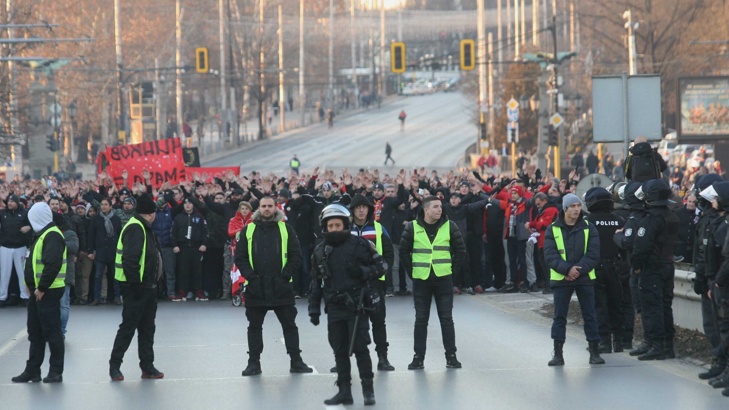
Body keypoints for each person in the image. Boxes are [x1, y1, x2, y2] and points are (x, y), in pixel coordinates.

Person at [309, 204, 387, 406]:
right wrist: (314, 308)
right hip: (334, 307)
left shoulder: (361, 245)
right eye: (331, 225)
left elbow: (382, 266)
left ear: (346, 224)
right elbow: (316, 281)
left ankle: (368, 390)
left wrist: (362, 272)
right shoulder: (320, 250)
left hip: (357, 305)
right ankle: (344, 391)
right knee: (339, 350)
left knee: (361, 349)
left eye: (338, 225)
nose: (334, 229)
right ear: (325, 227)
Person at [235, 196, 312, 376]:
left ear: (276, 208)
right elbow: (240, 257)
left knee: (290, 326)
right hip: (256, 288)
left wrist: (285, 276)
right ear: (259, 208)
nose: (267, 209)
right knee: (254, 327)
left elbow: (296, 255)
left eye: (270, 206)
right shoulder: (248, 230)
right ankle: (253, 363)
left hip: (281, 287)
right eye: (264, 206)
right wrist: (251, 277)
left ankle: (296, 361)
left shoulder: (286, 229)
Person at [399, 195, 465, 370]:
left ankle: (451, 356)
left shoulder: (450, 226)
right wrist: (412, 273)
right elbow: (403, 252)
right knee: (421, 320)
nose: (439, 210)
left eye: (440, 207)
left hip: (444, 279)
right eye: (435, 207)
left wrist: (453, 273)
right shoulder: (412, 227)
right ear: (426, 209)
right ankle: (418, 358)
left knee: (446, 319)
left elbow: (460, 250)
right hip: (421, 280)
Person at [108, 194, 164, 381]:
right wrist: (135, 286)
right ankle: (114, 366)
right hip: (136, 289)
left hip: (148, 287)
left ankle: (147, 366)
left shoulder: (143, 227)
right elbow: (130, 260)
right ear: (151, 214)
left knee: (147, 329)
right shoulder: (135, 228)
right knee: (128, 328)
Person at [543, 194, 604, 366]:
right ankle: (558, 354)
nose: (577, 209)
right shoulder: (553, 229)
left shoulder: (588, 228)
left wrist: (577, 270)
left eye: (578, 205)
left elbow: (593, 254)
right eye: (573, 206)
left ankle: (594, 351)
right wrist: (566, 269)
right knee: (559, 317)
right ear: (565, 208)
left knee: (590, 315)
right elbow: (550, 255)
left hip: (584, 278)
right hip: (562, 279)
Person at [12, 202, 67, 383]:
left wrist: (41, 288)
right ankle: (33, 370)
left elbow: (52, 265)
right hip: (38, 292)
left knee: (52, 332)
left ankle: (55, 371)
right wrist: (31, 285)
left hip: (48, 291)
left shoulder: (52, 236)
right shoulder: (42, 234)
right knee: (35, 331)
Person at [629, 179, 679, 360]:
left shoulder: (651, 219)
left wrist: (636, 265)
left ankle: (656, 344)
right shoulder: (672, 216)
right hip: (668, 265)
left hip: (652, 268)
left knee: (652, 307)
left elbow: (642, 246)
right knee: (665, 306)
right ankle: (665, 345)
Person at [692, 175, 727, 380]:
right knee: (713, 325)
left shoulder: (720, 222)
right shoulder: (708, 218)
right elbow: (703, 251)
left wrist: (717, 280)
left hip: (718, 281)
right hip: (711, 279)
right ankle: (720, 363)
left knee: (720, 327)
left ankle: (723, 364)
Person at [583, 187, 626, 354]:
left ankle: (604, 342)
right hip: (616, 267)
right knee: (616, 304)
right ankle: (619, 341)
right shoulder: (619, 220)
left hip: (595, 268)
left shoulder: (587, 221)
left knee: (599, 305)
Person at [171, 197, 208, 302]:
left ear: (193, 205)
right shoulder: (178, 218)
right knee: (183, 270)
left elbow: (205, 232)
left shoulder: (199, 217)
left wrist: (204, 244)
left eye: (190, 203)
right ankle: (182, 292)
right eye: (186, 203)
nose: (187, 205)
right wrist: (174, 245)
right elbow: (173, 233)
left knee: (197, 270)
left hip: (196, 247)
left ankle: (199, 292)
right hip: (182, 248)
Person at [0, 194, 31, 307]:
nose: (10, 203)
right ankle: (2, 297)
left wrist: (28, 227)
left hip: (20, 247)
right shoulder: (3, 213)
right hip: (5, 247)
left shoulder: (24, 213)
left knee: (22, 273)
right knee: (4, 273)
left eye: (12, 201)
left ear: (17, 202)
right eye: (8, 201)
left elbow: (32, 224)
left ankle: (25, 296)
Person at [674, 193, 698, 263]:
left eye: (694, 202)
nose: (691, 204)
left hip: (693, 248)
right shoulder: (678, 212)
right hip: (680, 246)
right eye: (690, 201)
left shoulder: (699, 214)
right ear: (686, 201)